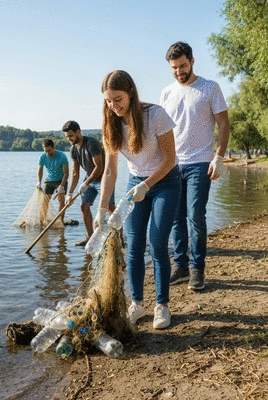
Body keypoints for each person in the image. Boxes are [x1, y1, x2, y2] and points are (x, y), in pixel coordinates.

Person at [95, 70, 181, 329]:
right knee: (133, 246)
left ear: (131, 92)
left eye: (118, 99)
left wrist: (147, 184)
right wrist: (101, 207)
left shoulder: (155, 115)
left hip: (165, 182)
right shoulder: (111, 123)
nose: (114, 106)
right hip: (135, 185)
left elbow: (170, 159)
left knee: (156, 243)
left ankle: (162, 306)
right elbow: (110, 170)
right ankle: (137, 304)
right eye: (108, 101)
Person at [160, 41, 230, 290]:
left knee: (195, 217)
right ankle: (180, 267)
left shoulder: (209, 88)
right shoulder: (167, 93)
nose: (179, 71)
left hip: (201, 162)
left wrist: (219, 157)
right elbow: (163, 132)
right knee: (176, 219)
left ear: (192, 61)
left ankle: (197, 269)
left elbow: (224, 124)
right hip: (172, 165)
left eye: (183, 65)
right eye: (174, 67)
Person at [62, 120, 115, 246]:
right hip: (89, 178)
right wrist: (69, 193)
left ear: (78, 132)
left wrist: (86, 183)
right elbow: (75, 173)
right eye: (67, 136)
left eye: (71, 135)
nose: (69, 139)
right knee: (83, 206)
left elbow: (99, 167)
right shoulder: (73, 149)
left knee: (109, 207)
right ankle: (90, 238)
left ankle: (119, 239)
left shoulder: (92, 143)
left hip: (104, 178)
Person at [36, 138, 69, 224]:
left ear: (53, 147)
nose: (48, 153)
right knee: (45, 200)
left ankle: (60, 221)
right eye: (45, 151)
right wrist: (39, 182)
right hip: (49, 180)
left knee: (61, 201)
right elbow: (40, 170)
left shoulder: (62, 156)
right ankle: (42, 221)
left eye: (49, 150)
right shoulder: (42, 157)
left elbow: (66, 173)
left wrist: (61, 186)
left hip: (61, 180)